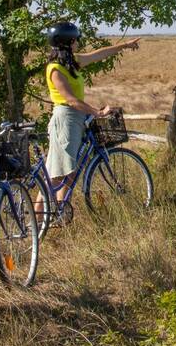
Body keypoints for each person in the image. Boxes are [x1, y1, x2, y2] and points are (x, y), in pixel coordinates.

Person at [43, 21, 139, 208]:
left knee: (71, 170)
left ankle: (62, 210)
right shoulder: (55, 69)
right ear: (69, 41)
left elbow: (99, 54)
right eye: (76, 39)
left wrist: (124, 46)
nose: (78, 42)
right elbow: (70, 100)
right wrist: (97, 112)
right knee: (56, 174)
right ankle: (36, 220)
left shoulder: (72, 62)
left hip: (76, 118)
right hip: (66, 118)